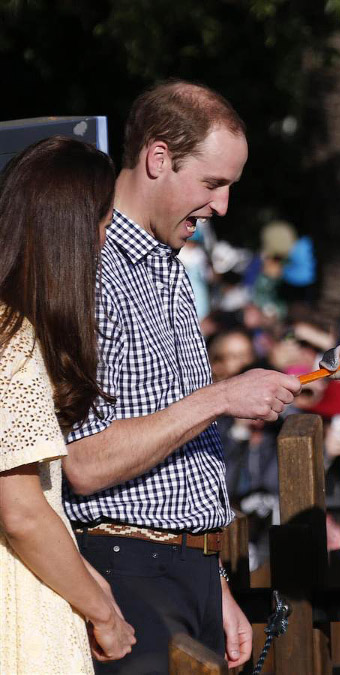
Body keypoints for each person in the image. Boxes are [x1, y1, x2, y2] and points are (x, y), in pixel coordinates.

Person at [62, 80, 301, 673]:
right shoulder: (90, 268)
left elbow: (179, 472)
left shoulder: (169, 267)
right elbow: (84, 463)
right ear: (158, 158)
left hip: (184, 571)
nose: (221, 207)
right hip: (120, 571)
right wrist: (222, 397)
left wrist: (211, 580)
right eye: (213, 184)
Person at [0, 137, 136, 672]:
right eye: (104, 220)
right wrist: (103, 613)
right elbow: (21, 512)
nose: (108, 239)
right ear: (72, 231)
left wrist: (89, 580)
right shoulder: (10, 335)